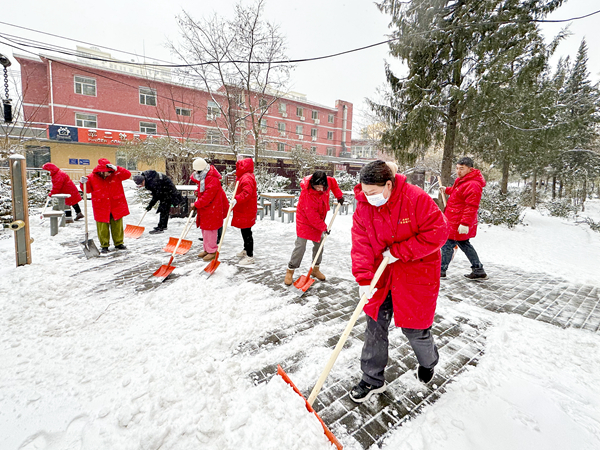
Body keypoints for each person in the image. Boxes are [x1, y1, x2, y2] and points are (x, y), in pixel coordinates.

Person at [350, 160, 449, 403]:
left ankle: (429, 361)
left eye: (373, 193)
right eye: (364, 191)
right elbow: (360, 245)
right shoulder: (364, 206)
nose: (367, 197)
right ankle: (371, 379)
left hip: (416, 274)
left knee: (415, 329)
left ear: (388, 184)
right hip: (381, 276)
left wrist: (400, 251)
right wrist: (364, 279)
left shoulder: (415, 198)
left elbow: (438, 232)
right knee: (375, 327)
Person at [284, 170, 344, 286]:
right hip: (305, 220)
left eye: (322, 187)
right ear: (312, 184)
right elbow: (312, 216)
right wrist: (324, 227)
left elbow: (334, 186)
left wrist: (339, 196)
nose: (320, 189)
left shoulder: (329, 181)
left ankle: (315, 269)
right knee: (300, 246)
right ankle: (290, 270)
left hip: (319, 218)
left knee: (319, 244)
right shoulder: (307, 193)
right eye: (317, 187)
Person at [439, 156, 487, 279]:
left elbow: (472, 206)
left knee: (447, 244)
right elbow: (458, 193)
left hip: (459, 221)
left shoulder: (473, 184)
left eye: (462, 168)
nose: (458, 171)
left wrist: (465, 224)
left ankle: (441, 270)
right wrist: (447, 190)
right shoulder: (463, 181)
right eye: (457, 168)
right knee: (464, 244)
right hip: (455, 219)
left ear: (470, 169)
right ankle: (478, 269)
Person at [80, 158, 131, 253]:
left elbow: (127, 175)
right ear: (101, 171)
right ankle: (104, 245)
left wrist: (117, 168)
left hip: (116, 204)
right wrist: (83, 183)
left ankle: (119, 243)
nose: (109, 173)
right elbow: (87, 190)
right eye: (107, 172)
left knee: (117, 225)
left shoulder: (116, 174)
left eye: (110, 171)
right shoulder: (91, 177)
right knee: (102, 227)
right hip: (101, 205)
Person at [190, 157, 229, 261]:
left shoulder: (212, 179)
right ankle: (207, 249)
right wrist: (197, 192)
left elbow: (208, 196)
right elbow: (202, 188)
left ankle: (212, 251)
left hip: (213, 209)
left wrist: (197, 204)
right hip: (207, 209)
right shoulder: (204, 177)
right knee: (205, 229)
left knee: (210, 230)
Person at [231, 157, 258, 265]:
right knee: (244, 230)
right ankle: (246, 249)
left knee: (247, 232)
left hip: (247, 209)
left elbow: (247, 193)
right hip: (244, 208)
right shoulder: (243, 176)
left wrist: (237, 199)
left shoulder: (246, 177)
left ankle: (250, 255)